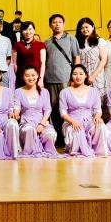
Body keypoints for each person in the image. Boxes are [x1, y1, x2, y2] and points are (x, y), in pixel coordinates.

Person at [44, 14, 81, 143]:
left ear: (64, 24)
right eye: (54, 22)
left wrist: (75, 77)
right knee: (54, 108)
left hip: (66, 79)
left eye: (60, 22)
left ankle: (69, 136)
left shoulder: (71, 39)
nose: (57, 24)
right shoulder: (47, 42)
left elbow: (76, 58)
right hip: (50, 79)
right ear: (50, 25)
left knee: (67, 107)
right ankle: (59, 138)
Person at [59, 64, 108, 157]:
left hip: (89, 120)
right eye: (75, 74)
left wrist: (97, 117)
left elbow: (98, 109)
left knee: (100, 126)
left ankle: (99, 152)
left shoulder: (94, 91)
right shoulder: (64, 92)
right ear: (71, 76)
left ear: (86, 75)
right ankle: (76, 150)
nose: (78, 77)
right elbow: (63, 112)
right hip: (71, 121)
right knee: (77, 130)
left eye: (81, 74)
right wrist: (73, 122)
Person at [15, 65, 57, 157]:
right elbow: (17, 107)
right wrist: (16, 113)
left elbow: (48, 109)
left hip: (42, 123)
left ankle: (47, 151)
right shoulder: (18, 91)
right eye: (27, 76)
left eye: (33, 75)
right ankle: (30, 152)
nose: (31, 78)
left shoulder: (44, 91)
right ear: (22, 77)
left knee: (50, 134)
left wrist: (41, 124)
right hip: (26, 123)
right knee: (29, 129)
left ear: (38, 75)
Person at [76, 17, 108, 99]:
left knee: (98, 100)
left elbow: (103, 60)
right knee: (85, 99)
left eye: (87, 27)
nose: (85, 29)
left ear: (93, 27)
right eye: (82, 28)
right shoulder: (77, 42)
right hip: (83, 77)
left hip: (97, 75)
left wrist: (93, 76)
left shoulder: (100, 41)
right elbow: (77, 62)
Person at [14, 21, 45, 88]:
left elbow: (42, 63)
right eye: (25, 30)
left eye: (30, 29)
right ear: (21, 31)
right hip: (22, 78)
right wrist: (19, 76)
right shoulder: (17, 45)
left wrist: (41, 79)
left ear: (34, 30)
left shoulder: (40, 45)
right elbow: (15, 64)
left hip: (35, 78)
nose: (28, 32)